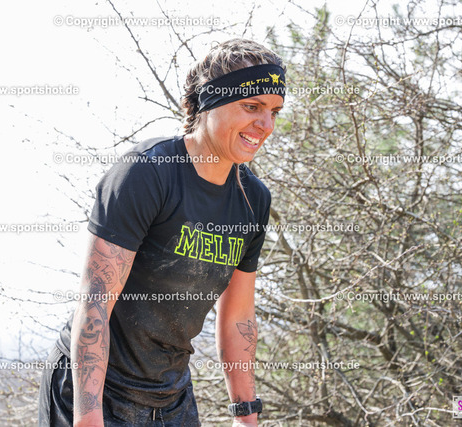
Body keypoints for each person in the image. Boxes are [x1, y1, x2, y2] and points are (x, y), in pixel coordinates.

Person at [38, 38, 286, 426]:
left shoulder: (252, 199)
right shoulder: (146, 173)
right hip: (95, 390)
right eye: (252, 107)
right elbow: (95, 302)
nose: (266, 125)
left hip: (171, 395)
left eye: (274, 112)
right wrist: (87, 416)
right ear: (210, 102)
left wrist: (246, 414)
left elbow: (238, 316)